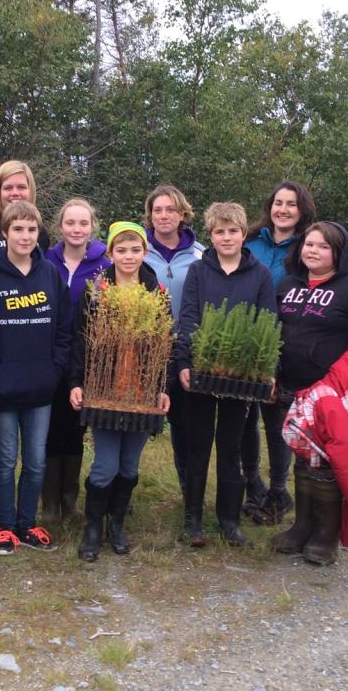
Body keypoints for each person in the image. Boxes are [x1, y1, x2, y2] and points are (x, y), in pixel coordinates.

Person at [269, 221, 348, 564]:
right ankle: (302, 526)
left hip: (331, 393)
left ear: (338, 253)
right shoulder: (288, 284)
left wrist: (338, 381)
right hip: (291, 388)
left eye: (323, 246)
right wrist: (271, 371)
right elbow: (273, 330)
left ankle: (326, 535)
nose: (313, 251)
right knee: (303, 457)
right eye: (309, 244)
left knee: (328, 461)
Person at [69, 222, 171, 561]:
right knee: (105, 465)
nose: (129, 256)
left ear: (145, 252)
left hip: (141, 391)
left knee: (128, 466)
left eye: (135, 250)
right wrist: (76, 382)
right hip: (105, 390)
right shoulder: (96, 292)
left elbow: (165, 346)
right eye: (122, 250)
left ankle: (116, 524)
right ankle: (93, 527)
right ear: (111, 253)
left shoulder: (156, 293)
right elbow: (80, 341)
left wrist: (162, 387)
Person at [175, 202, 275, 548]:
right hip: (202, 371)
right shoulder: (198, 271)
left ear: (243, 233)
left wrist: (267, 371)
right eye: (220, 231)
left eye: (233, 231)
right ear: (211, 235)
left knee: (231, 448)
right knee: (198, 446)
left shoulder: (260, 274)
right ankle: (193, 519)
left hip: (241, 375)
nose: (227, 237)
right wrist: (184, 362)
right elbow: (188, 318)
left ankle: (229, 520)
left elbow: (268, 322)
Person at [0, 200, 72, 554]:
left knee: (35, 460)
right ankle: (5, 527)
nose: (25, 236)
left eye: (32, 229)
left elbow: (64, 328)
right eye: (18, 229)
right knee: (4, 460)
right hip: (1, 387)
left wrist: (54, 368)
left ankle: (27, 523)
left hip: (41, 386)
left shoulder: (50, 274)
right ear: (5, 233)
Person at [240, 181, 317, 523]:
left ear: (302, 210)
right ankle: (252, 483)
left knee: (276, 420)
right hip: (244, 338)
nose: (283, 210)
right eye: (278, 203)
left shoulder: (308, 246)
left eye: (291, 204)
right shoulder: (250, 240)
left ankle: (278, 490)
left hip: (287, 341)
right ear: (269, 206)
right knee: (244, 420)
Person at [42, 198, 111, 522]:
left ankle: (69, 500)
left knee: (74, 428)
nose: (76, 229)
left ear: (92, 226)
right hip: (49, 354)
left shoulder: (104, 266)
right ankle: (49, 502)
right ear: (60, 226)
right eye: (70, 223)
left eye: (83, 223)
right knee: (49, 427)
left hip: (85, 359)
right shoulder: (46, 260)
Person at [142, 185, 205, 497]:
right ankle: (120, 494)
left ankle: (190, 495)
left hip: (185, 350)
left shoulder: (201, 254)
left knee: (186, 428)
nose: (163, 215)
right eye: (157, 210)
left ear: (183, 214)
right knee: (135, 423)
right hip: (145, 351)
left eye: (170, 210)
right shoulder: (137, 248)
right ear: (150, 216)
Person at [0, 160, 51, 265]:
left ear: (30, 190)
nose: (15, 193)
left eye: (21, 187)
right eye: (8, 188)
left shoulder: (41, 233)